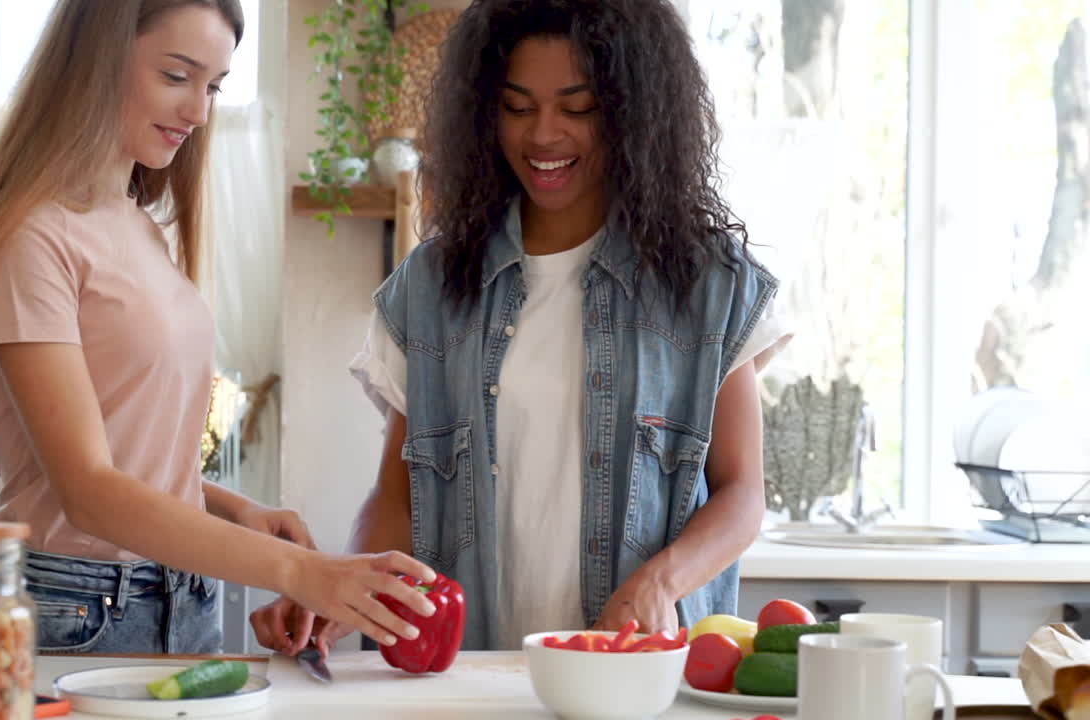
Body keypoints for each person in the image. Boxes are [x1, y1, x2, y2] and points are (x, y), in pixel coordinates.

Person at [254, 0, 794, 654]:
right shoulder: (431, 288)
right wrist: (340, 587)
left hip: (633, 681)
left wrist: (662, 582)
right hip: (465, 684)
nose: (542, 136)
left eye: (577, 107)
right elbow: (396, 499)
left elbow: (742, 495)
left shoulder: (705, 283)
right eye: (517, 106)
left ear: (632, 111)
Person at [0, 0, 437, 655]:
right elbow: (87, 491)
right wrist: (304, 573)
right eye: (177, 76)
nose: (199, 112)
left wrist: (234, 510)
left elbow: (125, 451)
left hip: (180, 598)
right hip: (78, 609)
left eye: (214, 86)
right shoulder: (30, 237)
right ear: (94, 62)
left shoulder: (137, 225)